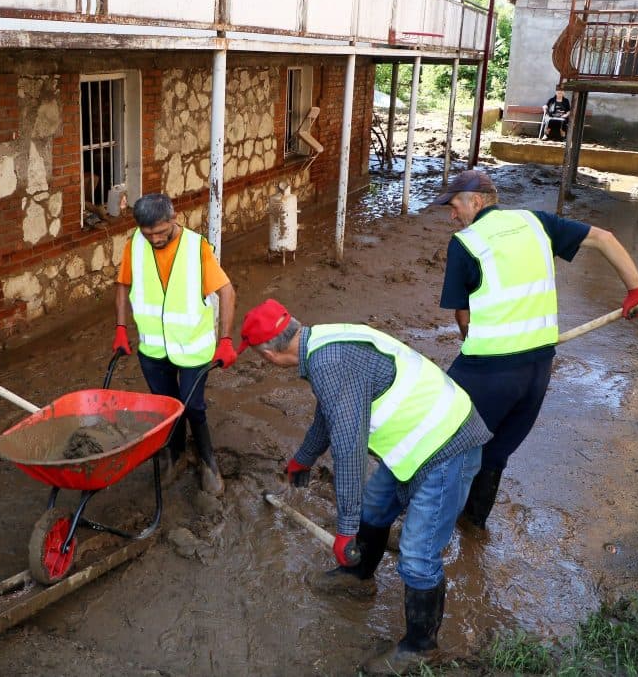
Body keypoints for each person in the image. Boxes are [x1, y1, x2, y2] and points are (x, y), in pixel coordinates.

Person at [238, 299, 491, 674]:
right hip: (420, 437)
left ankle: (422, 646)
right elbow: (329, 413)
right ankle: (359, 577)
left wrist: (345, 530)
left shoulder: (329, 364)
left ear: (267, 354)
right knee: (375, 506)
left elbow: (350, 452)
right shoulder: (322, 342)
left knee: (418, 556)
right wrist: (304, 457)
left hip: (447, 445)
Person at [435, 170, 638, 532]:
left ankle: (419, 533)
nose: (451, 216)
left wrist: (472, 340)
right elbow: (604, 238)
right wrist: (636, 289)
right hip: (537, 369)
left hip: (488, 369)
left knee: (438, 442)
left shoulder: (466, 243)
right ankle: (472, 527)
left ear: (477, 200)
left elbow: (463, 315)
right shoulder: (535, 223)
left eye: (454, 206)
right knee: (495, 452)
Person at [113, 193, 237, 495]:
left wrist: (226, 339)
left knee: (193, 406)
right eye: (148, 233)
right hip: (153, 349)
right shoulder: (135, 246)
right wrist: (120, 328)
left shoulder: (197, 248)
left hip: (194, 347)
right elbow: (122, 285)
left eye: (160, 232)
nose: (155, 238)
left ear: (173, 219)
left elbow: (227, 292)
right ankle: (176, 455)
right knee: (167, 407)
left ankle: (208, 462)